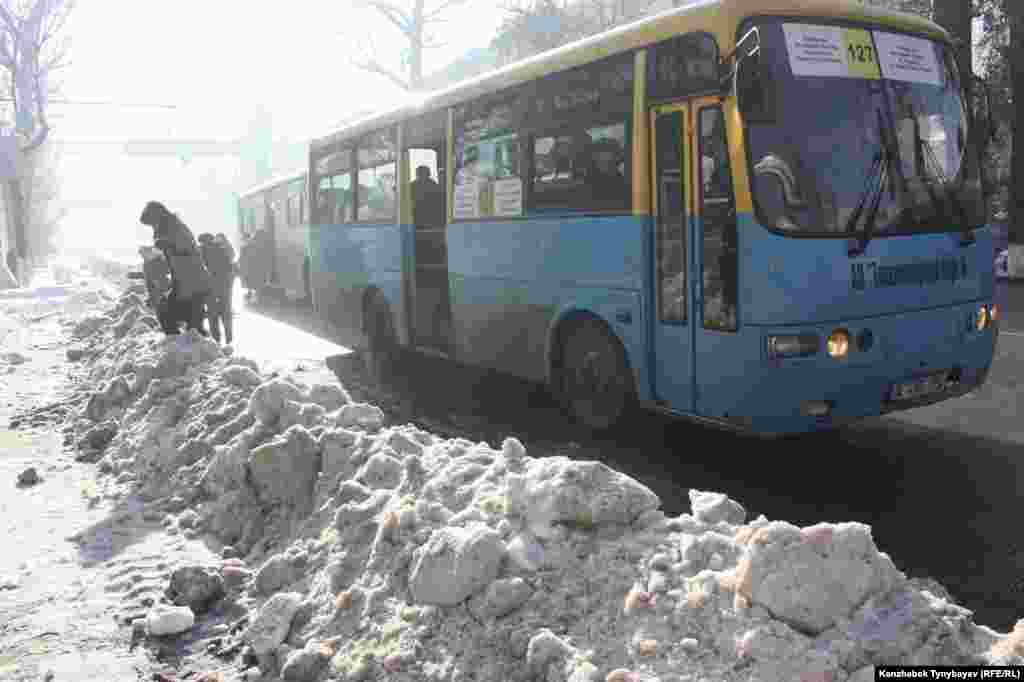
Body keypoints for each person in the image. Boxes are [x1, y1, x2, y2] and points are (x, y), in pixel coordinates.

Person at [139, 200, 211, 337]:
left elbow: (186, 251)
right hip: (186, 285)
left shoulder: (175, 228)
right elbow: (172, 263)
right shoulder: (170, 228)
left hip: (194, 284)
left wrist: (166, 245)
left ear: (158, 218)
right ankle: (181, 346)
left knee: (188, 324)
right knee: (180, 319)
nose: (153, 228)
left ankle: (183, 347)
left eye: (152, 224)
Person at [198, 232, 237, 345]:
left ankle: (216, 339)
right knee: (226, 312)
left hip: (210, 287)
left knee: (212, 314)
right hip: (225, 286)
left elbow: (200, 270)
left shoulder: (201, 251)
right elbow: (230, 267)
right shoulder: (222, 249)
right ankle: (229, 338)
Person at [138, 245, 171, 310]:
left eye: (143, 254)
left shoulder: (159, 260)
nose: (142, 256)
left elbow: (168, 270)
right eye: (141, 254)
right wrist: (135, 275)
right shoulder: (147, 263)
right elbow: (147, 276)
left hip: (163, 289)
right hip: (156, 291)